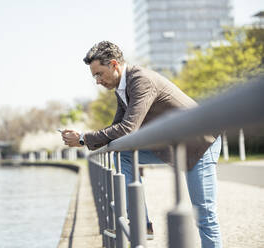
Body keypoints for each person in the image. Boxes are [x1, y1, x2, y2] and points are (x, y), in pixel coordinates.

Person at [61, 41, 222, 248]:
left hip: (200, 144)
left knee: (204, 215)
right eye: (95, 76)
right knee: (124, 154)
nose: (98, 81)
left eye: (99, 74)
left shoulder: (141, 80)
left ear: (113, 64)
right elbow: (116, 128)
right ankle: (141, 222)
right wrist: (85, 138)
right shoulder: (122, 88)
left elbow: (128, 128)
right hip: (175, 145)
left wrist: (84, 138)